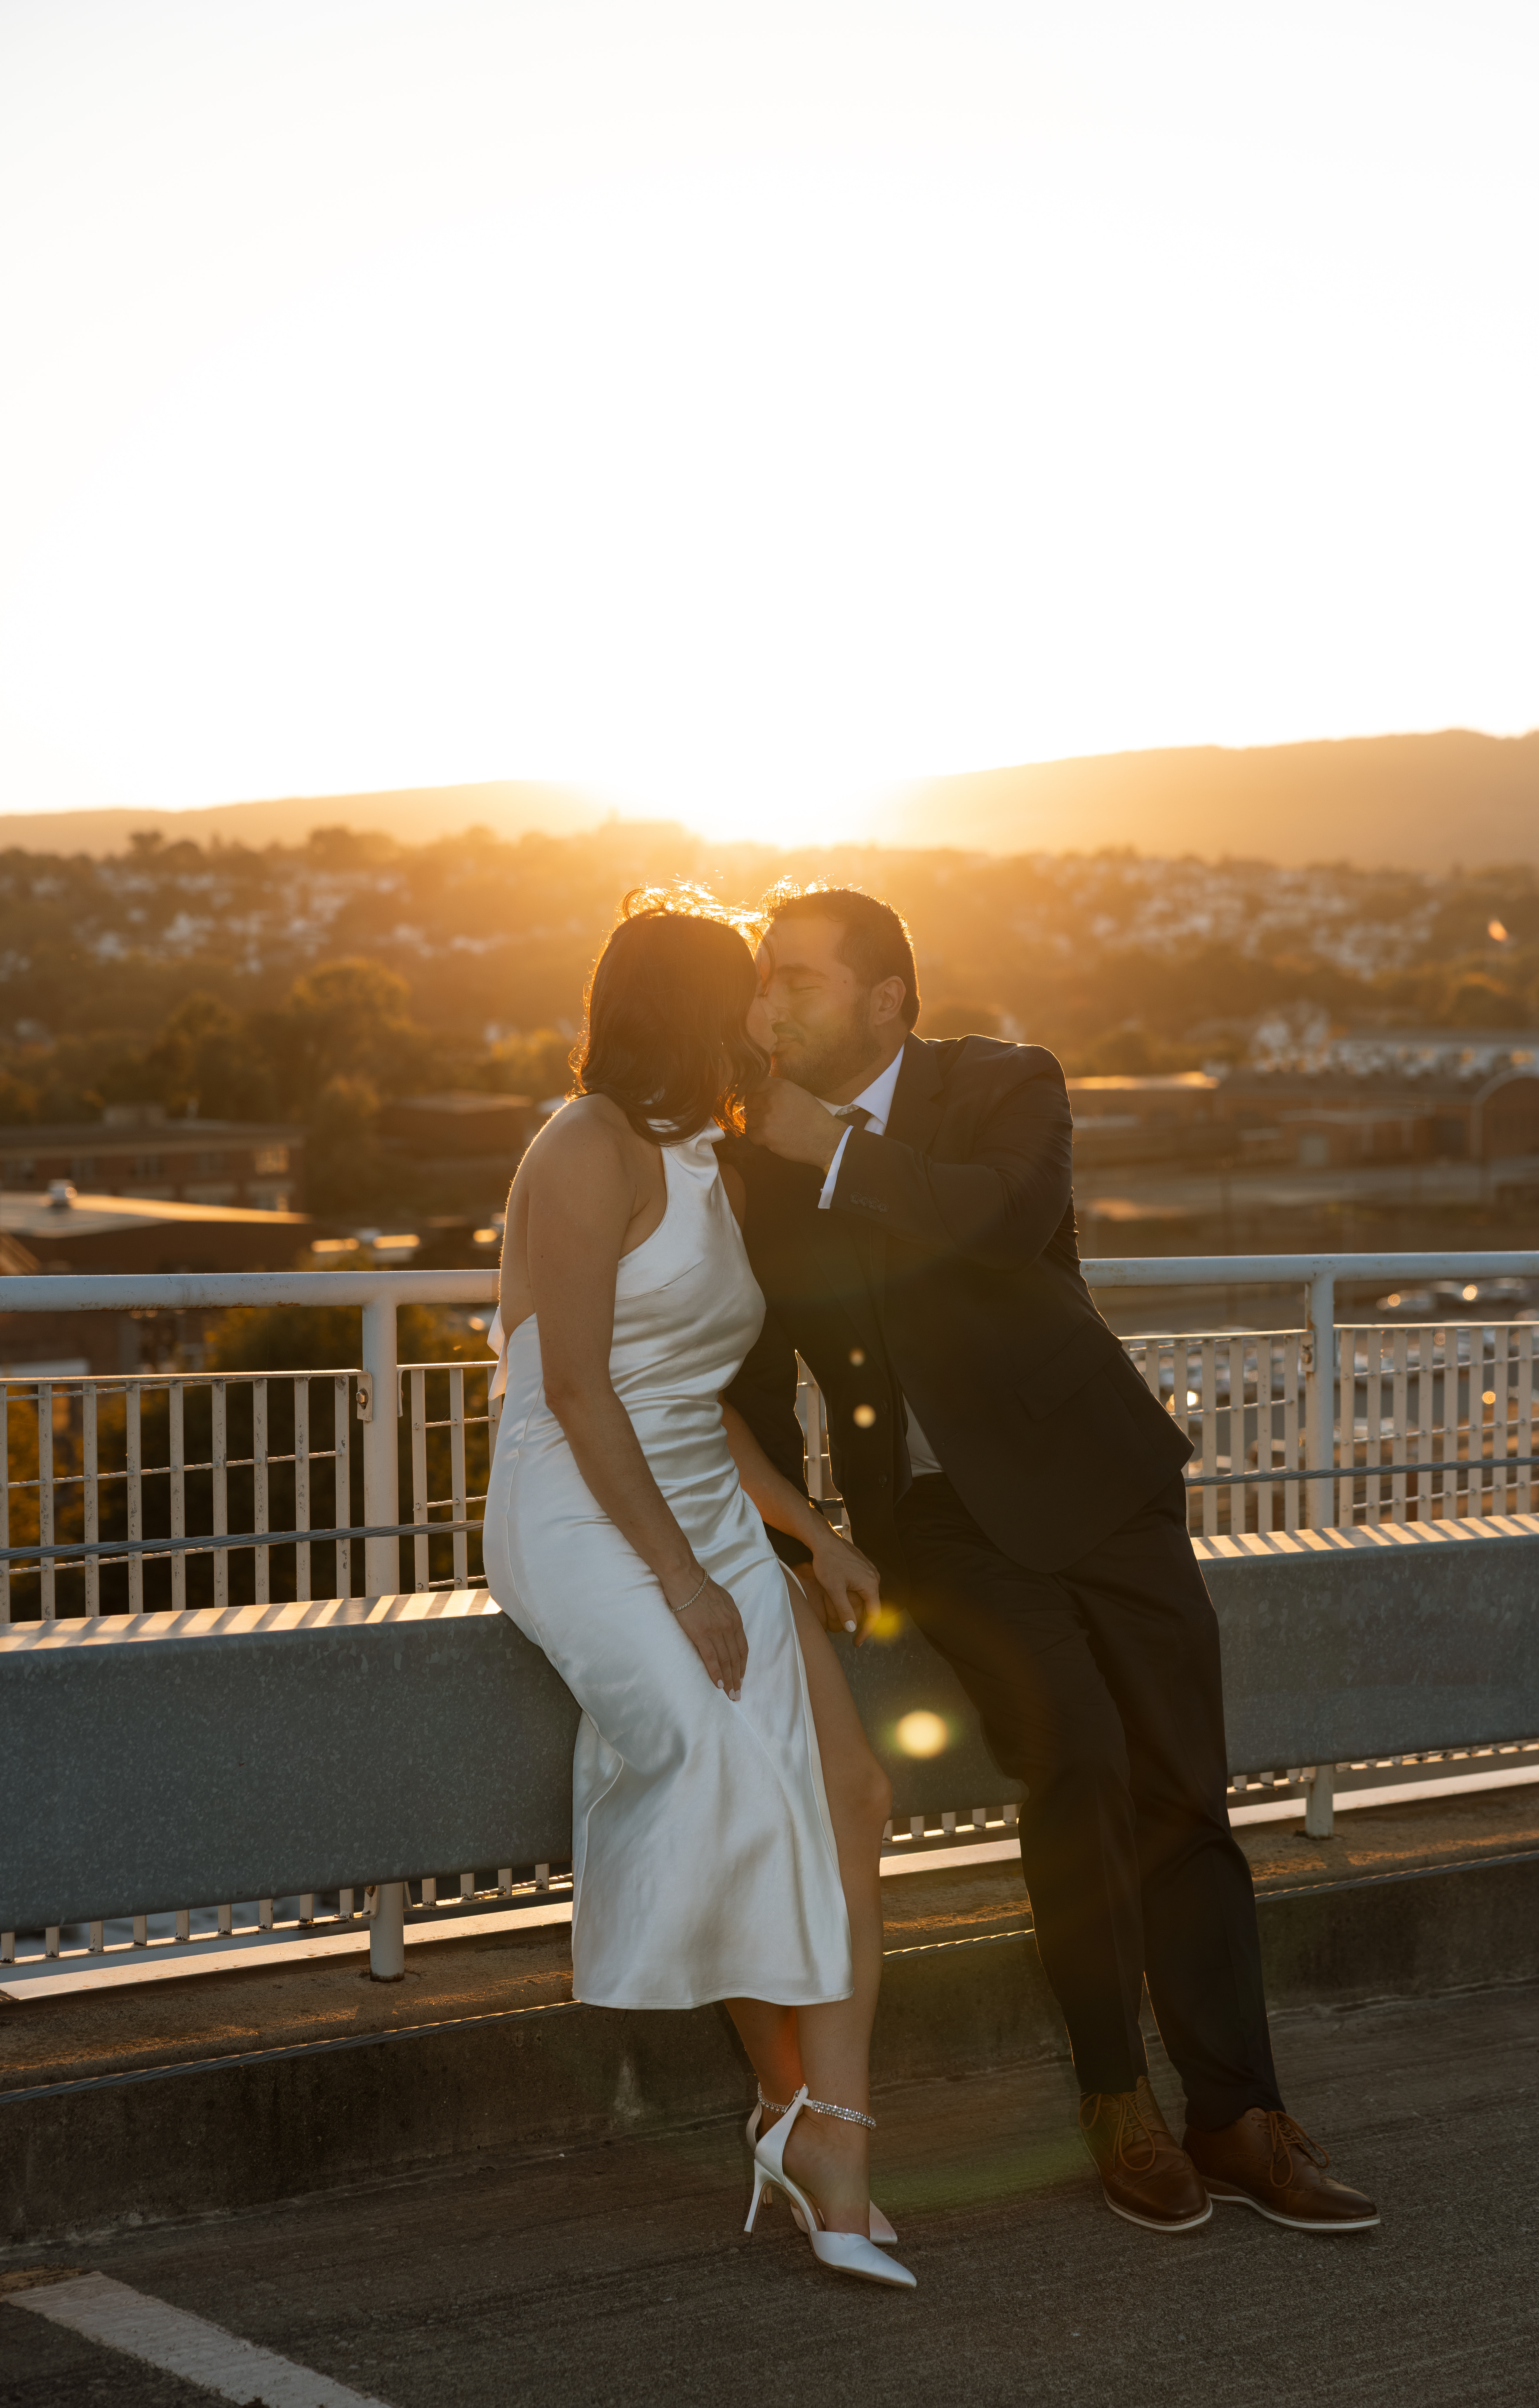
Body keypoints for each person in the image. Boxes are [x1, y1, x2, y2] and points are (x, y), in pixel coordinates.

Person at [722, 882, 1379, 2236]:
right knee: (1074, 1752)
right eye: (762, 978)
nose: (767, 1000)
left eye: (796, 977)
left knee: (1185, 1789)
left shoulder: (1006, 1084)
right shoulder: (751, 1163)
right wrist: (800, 1532)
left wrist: (835, 1154)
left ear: (887, 998)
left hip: (1100, 1484)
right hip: (935, 1525)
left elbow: (1002, 1220)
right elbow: (748, 1374)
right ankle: (1114, 2098)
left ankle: (1238, 2112)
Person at [482, 891, 915, 2289]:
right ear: (687, 1001)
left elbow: (699, 1400)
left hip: (704, 1498)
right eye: (746, 989)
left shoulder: (710, 1160)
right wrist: (682, 1581)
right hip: (578, 1504)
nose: (763, 1014)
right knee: (713, 1741)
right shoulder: (583, 1145)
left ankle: (824, 2128)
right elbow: (576, 1384)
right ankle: (799, 2115)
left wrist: (804, 1534)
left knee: (850, 1787)